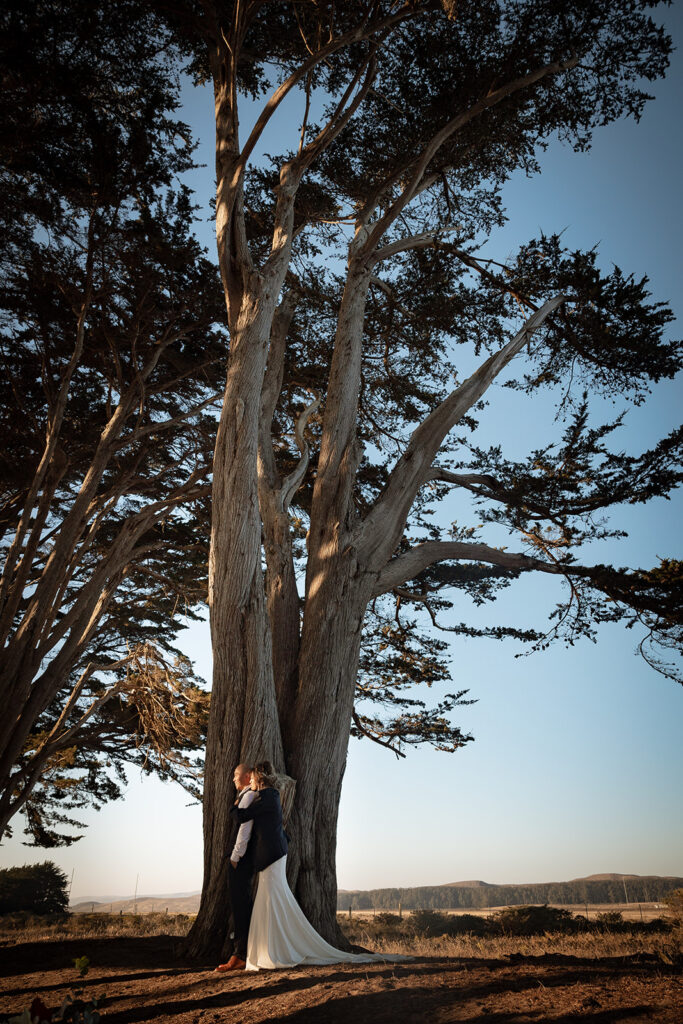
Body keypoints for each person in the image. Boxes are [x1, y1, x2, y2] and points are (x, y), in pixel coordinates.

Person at [226, 760, 402, 971]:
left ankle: (276, 949)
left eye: (252, 778)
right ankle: (270, 947)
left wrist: (235, 806)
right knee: (272, 900)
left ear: (258, 778)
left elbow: (242, 817)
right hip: (273, 857)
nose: (249, 781)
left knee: (273, 900)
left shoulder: (267, 796)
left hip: (271, 857)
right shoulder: (268, 796)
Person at [214, 763, 257, 973]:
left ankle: (240, 955)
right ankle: (242, 951)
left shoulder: (248, 797)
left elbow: (244, 828)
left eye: (236, 775)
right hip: (240, 857)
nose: (233, 779)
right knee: (240, 905)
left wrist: (235, 856)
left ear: (248, 776)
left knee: (240, 907)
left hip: (240, 859)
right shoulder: (245, 796)